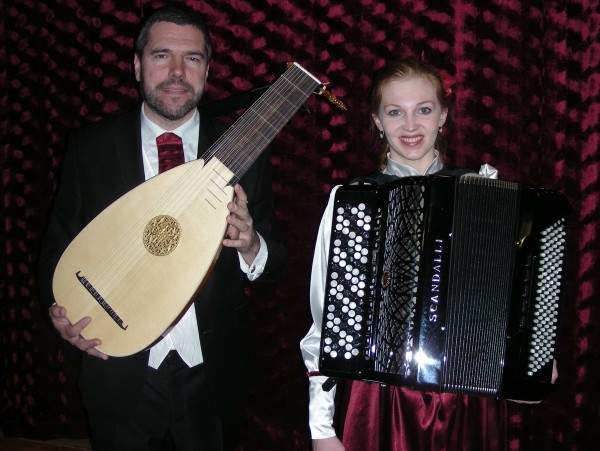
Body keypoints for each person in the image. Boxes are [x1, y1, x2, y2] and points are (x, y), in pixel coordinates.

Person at [37, 5, 287, 451]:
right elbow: (55, 252)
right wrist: (61, 311)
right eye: (161, 56)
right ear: (137, 65)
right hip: (117, 368)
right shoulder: (91, 147)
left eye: (191, 58)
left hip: (211, 375)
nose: (176, 72)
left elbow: (276, 263)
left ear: (207, 70)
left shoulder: (244, 150)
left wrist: (252, 245)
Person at [300, 59, 511, 451]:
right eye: (395, 112)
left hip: (467, 397)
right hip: (378, 400)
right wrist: (321, 427)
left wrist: (525, 360)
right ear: (377, 121)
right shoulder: (353, 201)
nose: (410, 126)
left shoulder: (481, 190)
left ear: (443, 116)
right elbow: (325, 322)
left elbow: (502, 297)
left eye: (424, 110)